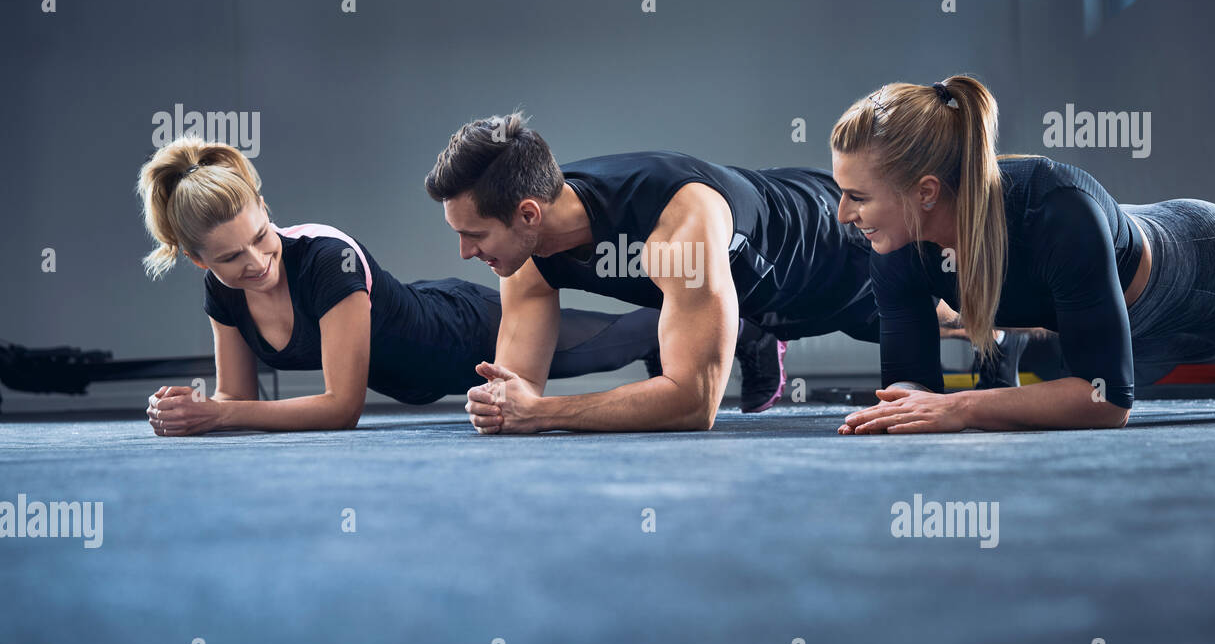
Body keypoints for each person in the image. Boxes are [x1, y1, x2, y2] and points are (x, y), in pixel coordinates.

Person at [427, 112, 977, 434]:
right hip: (752, 288)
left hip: (826, 249)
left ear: (527, 214)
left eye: (474, 235)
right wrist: (507, 406)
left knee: (954, 317)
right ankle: (747, 327)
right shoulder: (526, 249)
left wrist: (544, 413)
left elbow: (693, 403)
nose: (464, 253)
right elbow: (515, 391)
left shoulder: (676, 221)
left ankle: (1012, 329)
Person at [830, 74, 1215, 434]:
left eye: (858, 196)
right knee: (1093, 363)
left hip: (1211, 274)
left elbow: (1108, 403)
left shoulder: (1056, 209)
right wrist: (902, 406)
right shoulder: (894, 245)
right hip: (1129, 334)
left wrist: (959, 407)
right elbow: (912, 387)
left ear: (925, 191)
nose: (842, 214)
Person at [136, 136, 674, 436]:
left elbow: (340, 408)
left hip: (464, 332)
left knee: (614, 344)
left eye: (260, 236)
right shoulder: (223, 295)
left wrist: (222, 413)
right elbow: (235, 397)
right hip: (425, 367)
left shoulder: (328, 259)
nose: (256, 262)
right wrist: (195, 409)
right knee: (618, 343)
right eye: (230, 257)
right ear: (197, 260)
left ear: (266, 211)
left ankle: (739, 328)